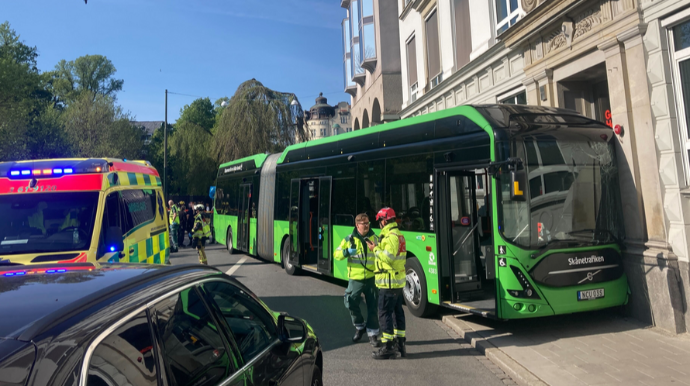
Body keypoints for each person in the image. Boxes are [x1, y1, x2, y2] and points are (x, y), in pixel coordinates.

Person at [334, 213, 380, 347]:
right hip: (355, 279)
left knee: (373, 307)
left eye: (367, 223)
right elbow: (336, 254)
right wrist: (346, 252)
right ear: (357, 225)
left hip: (372, 278)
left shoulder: (375, 238)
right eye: (363, 224)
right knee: (350, 301)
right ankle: (360, 326)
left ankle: (372, 334)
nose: (366, 226)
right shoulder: (349, 239)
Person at [367, 207, 407, 360]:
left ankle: (388, 347)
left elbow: (388, 257)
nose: (379, 224)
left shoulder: (390, 237)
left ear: (384, 221)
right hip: (396, 282)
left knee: (384, 314)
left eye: (380, 221)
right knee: (397, 313)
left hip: (388, 282)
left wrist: (375, 249)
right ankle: (400, 344)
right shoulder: (399, 235)